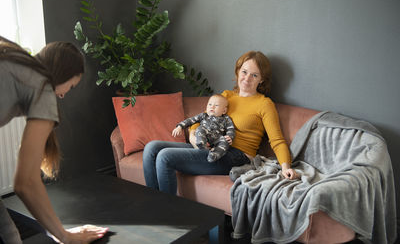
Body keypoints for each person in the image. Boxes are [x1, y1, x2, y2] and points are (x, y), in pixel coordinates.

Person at [143, 50, 299, 195]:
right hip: (211, 145)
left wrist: (286, 167)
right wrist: (193, 136)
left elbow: (277, 140)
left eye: (254, 75)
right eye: (244, 72)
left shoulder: (264, 104)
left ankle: (166, 214)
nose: (246, 78)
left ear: (262, 79)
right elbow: (203, 117)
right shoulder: (227, 96)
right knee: (151, 148)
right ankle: (156, 205)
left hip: (236, 156)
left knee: (165, 157)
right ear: (238, 71)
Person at [0, 36, 108, 244]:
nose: (64, 95)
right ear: (64, 74)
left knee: (9, 233)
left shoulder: (18, 64)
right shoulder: (42, 88)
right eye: (71, 86)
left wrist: (56, 231)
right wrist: (65, 236)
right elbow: (26, 183)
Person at [172, 94, 235, 162]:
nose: (212, 107)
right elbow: (190, 120)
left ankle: (215, 155)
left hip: (217, 138)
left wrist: (230, 137)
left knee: (225, 141)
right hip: (204, 136)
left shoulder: (226, 119)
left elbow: (230, 129)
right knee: (200, 129)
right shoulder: (203, 115)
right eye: (209, 104)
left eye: (216, 105)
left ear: (224, 111)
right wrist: (180, 126)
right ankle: (201, 144)